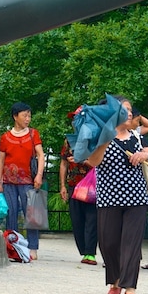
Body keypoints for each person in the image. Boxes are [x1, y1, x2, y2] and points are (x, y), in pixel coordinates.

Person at [85, 96, 148, 294]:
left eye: (131, 109)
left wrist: (146, 156)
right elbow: (93, 162)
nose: (131, 113)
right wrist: (105, 140)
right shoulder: (100, 136)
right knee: (109, 242)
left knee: (132, 244)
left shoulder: (136, 136)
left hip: (136, 197)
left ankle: (130, 287)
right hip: (108, 198)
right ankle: (115, 280)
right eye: (125, 109)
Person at [0, 102, 44, 259]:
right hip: (9, 181)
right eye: (25, 115)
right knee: (11, 214)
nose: (28, 118)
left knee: (32, 215)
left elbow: (40, 155)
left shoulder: (33, 134)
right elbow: (1, 161)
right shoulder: (5, 137)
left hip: (27, 180)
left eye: (29, 115)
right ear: (15, 116)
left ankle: (32, 248)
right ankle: (13, 247)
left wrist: (39, 175)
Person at [59, 107, 97, 265]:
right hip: (74, 185)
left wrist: (82, 160)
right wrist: (62, 185)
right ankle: (84, 250)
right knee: (77, 221)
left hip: (92, 186)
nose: (76, 122)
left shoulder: (95, 139)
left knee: (92, 220)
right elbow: (63, 163)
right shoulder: (69, 140)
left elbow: (98, 163)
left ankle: (90, 253)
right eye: (74, 118)